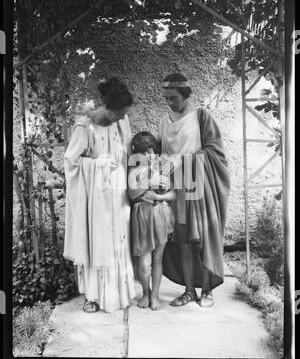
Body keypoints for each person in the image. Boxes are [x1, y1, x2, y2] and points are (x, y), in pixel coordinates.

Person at [154, 72, 230, 307]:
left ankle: (207, 290)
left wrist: (182, 161)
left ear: (185, 94)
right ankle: (188, 291)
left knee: (202, 239)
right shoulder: (165, 121)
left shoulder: (201, 117)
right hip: (175, 189)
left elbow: (215, 151)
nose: (169, 102)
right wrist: (159, 164)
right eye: (165, 97)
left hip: (199, 185)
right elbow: (158, 151)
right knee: (183, 241)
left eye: (173, 97)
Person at [63, 77, 136, 313]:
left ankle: (120, 293)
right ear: (107, 107)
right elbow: (71, 163)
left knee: (118, 241)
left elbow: (127, 155)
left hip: (118, 195)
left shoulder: (122, 124)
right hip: (95, 200)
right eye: (120, 113)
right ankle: (92, 296)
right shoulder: (85, 128)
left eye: (125, 114)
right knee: (97, 242)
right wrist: (98, 165)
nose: (123, 118)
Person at [128, 132, 176, 310]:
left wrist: (156, 194)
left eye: (151, 151)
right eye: (144, 152)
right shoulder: (134, 170)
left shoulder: (163, 168)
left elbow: (173, 194)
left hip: (160, 213)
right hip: (142, 215)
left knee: (157, 259)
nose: (149, 156)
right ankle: (145, 293)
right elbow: (132, 194)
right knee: (144, 262)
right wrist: (149, 180)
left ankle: (155, 295)